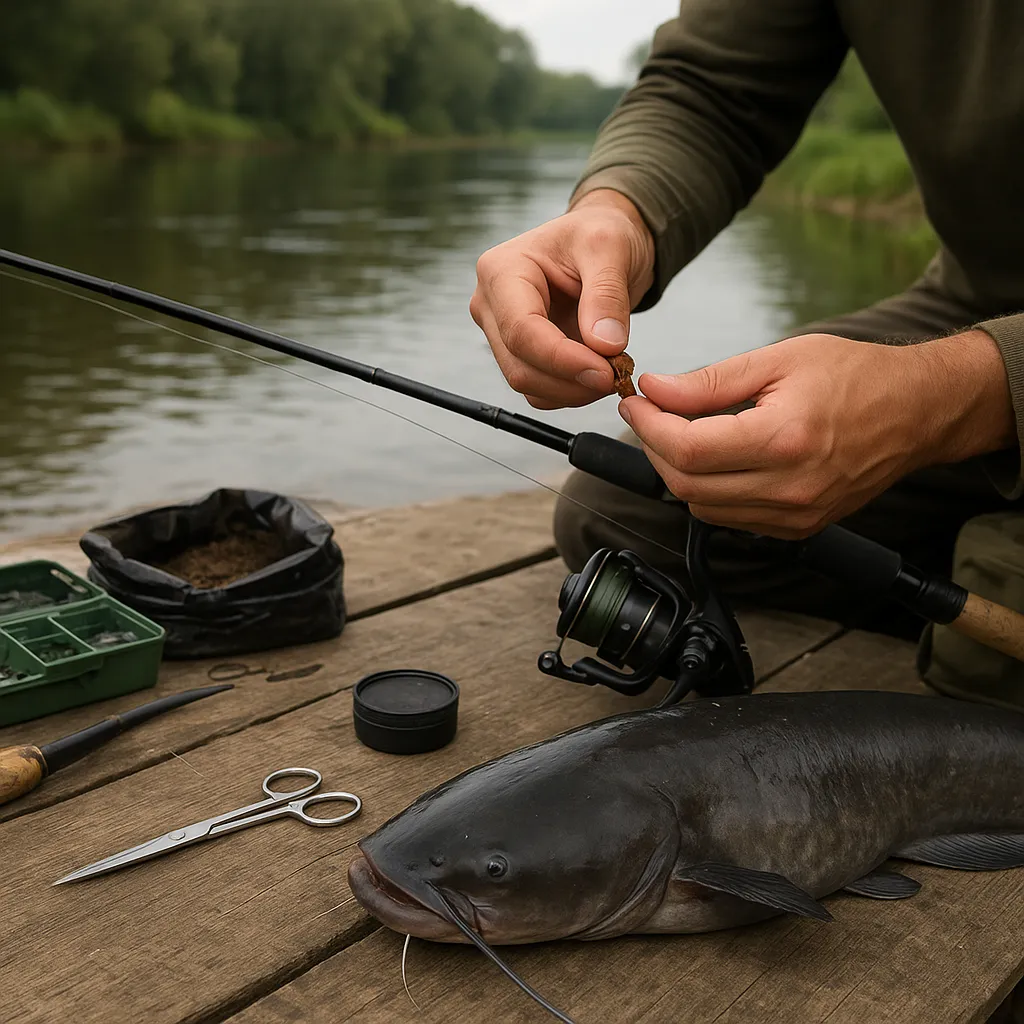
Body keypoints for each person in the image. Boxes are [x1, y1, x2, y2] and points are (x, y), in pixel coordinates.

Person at [468, 1, 1024, 645]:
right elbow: (710, 88)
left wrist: (959, 394)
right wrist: (619, 211)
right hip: (977, 298)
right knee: (626, 509)